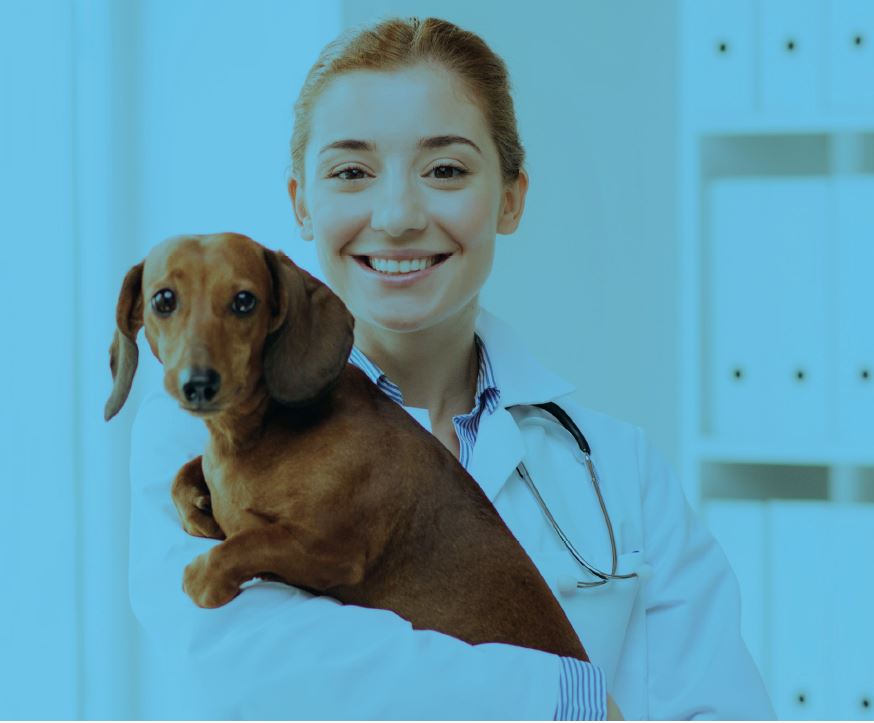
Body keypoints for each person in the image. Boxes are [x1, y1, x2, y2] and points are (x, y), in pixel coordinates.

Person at [129, 16, 775, 720]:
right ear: (301, 203)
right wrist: (572, 703)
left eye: (445, 170)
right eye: (351, 171)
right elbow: (252, 663)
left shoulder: (620, 470)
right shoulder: (201, 431)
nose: (400, 214)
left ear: (511, 197)